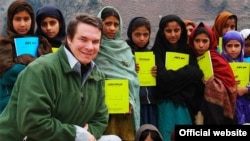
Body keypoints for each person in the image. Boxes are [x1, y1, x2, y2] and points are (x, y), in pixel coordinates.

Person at [0, 13, 121, 141]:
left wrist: (87, 134)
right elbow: (33, 123)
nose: (90, 47)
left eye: (95, 41)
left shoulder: (97, 76)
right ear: (69, 38)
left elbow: (100, 118)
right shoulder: (41, 70)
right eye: (83, 39)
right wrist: (76, 134)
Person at [151, 14, 204, 141]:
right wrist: (187, 74)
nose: (173, 35)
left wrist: (173, 79)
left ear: (182, 30)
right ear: (162, 32)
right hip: (165, 107)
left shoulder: (188, 51)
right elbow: (162, 81)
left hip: (186, 106)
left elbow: (198, 76)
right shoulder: (156, 52)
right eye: (168, 31)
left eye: (177, 30)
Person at [95, 6, 140, 141]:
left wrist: (130, 100)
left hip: (125, 109)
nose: (112, 28)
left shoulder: (125, 49)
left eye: (116, 24)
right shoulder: (94, 48)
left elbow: (133, 79)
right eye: (108, 23)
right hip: (101, 109)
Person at [0, 0, 52, 114]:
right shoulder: (3, 44)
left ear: (32, 20)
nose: (22, 24)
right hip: (8, 108)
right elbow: (7, 76)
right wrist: (36, 65)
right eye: (17, 19)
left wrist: (22, 62)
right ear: (10, 20)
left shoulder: (42, 44)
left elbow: (49, 75)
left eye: (26, 19)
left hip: (37, 106)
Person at [188, 22, 238, 124]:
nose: (201, 45)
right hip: (194, 108)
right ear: (192, 41)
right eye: (197, 41)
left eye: (205, 41)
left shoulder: (218, 60)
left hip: (217, 114)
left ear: (211, 41)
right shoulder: (188, 58)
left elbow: (230, 86)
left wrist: (212, 83)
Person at [126, 16, 158, 127]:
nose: (142, 38)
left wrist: (156, 73)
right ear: (130, 34)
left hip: (150, 103)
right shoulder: (125, 52)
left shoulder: (152, 54)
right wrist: (130, 69)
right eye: (137, 35)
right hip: (133, 103)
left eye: (145, 35)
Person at [221, 30, 250, 124]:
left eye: (237, 45)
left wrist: (246, 90)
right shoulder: (219, 66)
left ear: (242, 46)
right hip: (226, 107)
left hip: (245, 106)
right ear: (224, 47)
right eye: (229, 45)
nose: (233, 49)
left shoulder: (246, 64)